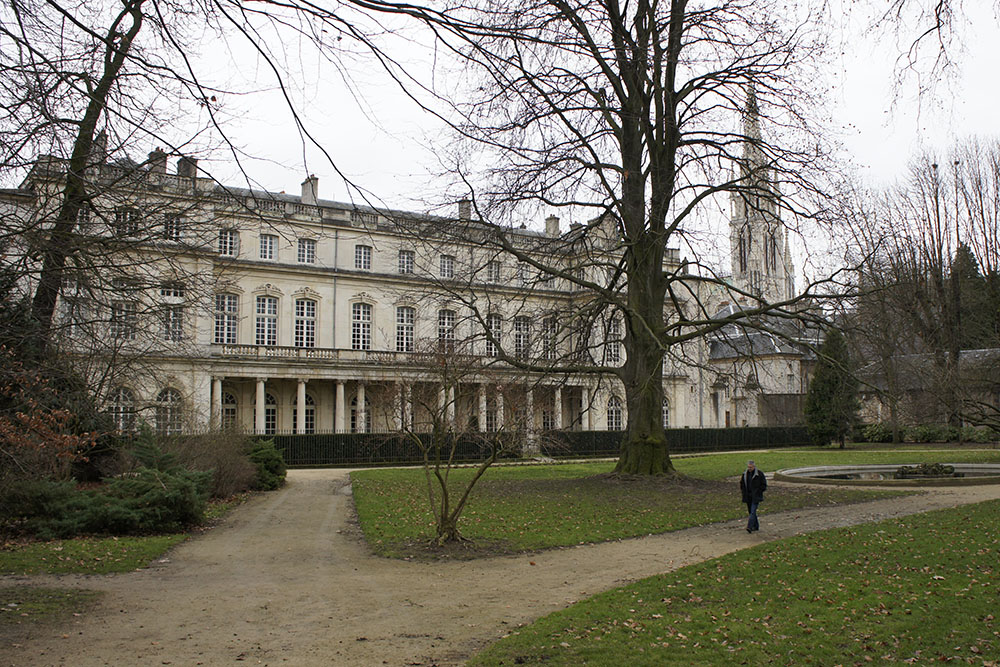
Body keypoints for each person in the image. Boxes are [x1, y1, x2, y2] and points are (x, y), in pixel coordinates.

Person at [740, 460, 767, 533]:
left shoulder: (759, 474)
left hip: (756, 496)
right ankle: (756, 526)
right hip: (748, 496)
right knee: (751, 512)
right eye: (748, 467)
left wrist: (758, 491)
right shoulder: (745, 474)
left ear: (754, 467)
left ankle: (750, 526)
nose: (749, 468)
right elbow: (742, 484)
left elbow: (764, 485)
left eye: (751, 467)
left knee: (753, 511)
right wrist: (744, 492)